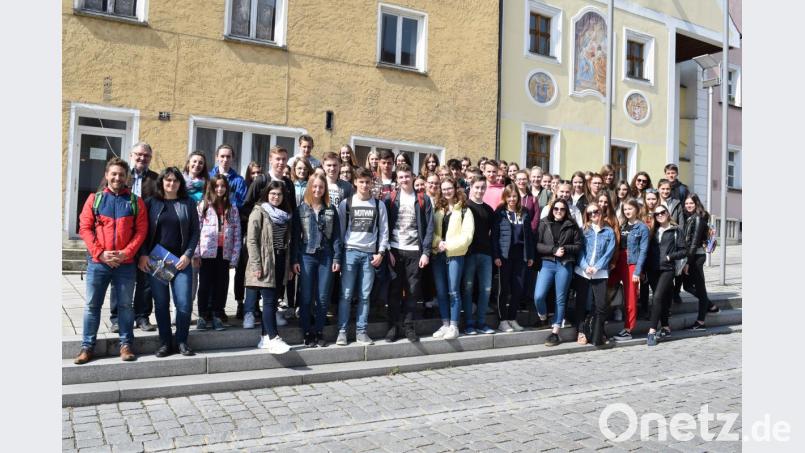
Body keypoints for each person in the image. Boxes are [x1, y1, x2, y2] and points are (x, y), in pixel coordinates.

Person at [75, 157, 147, 364]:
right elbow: (85, 228)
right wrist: (101, 254)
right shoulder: (94, 199)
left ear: (127, 178)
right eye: (113, 174)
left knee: (125, 306)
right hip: (98, 263)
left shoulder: (135, 201)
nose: (117, 178)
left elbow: (141, 231)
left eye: (121, 175)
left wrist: (126, 253)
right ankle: (87, 347)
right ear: (106, 175)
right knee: (92, 306)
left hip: (125, 264)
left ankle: (126, 345)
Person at [139, 167, 200, 357]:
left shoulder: (188, 203)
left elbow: (195, 232)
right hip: (159, 260)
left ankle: (182, 341)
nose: (171, 184)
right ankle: (165, 342)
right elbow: (142, 232)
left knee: (183, 304)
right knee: (161, 303)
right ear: (162, 182)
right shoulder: (151, 203)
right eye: (167, 180)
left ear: (180, 183)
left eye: (175, 180)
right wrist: (144, 254)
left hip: (181, 261)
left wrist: (188, 255)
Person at [102, 143, 158, 334]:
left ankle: (142, 316)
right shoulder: (121, 174)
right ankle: (117, 318)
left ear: (151, 158)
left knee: (145, 279)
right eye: (139, 154)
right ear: (131, 155)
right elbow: (104, 197)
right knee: (119, 280)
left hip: (145, 237)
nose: (142, 158)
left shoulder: (156, 180)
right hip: (121, 236)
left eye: (146, 156)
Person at [337, 168, 390, 346]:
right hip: (350, 252)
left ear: (372, 183)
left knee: (365, 296)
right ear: (356, 183)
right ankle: (342, 332)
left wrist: (381, 252)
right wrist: (341, 254)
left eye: (368, 182)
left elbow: (384, 231)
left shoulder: (378, 204)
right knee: (346, 294)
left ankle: (361, 331)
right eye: (361, 182)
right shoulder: (346, 203)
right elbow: (341, 231)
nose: (365, 185)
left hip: (369, 254)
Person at [382, 164, 434, 343]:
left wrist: (426, 252)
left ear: (413, 176)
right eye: (401, 177)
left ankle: (409, 327)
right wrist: (387, 249)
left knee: (412, 291)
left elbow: (429, 229)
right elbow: (384, 225)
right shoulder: (390, 198)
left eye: (407, 176)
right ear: (397, 179)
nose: (404, 180)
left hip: (414, 251)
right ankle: (393, 328)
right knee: (394, 291)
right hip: (395, 250)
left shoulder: (423, 199)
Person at [292, 174, 342, 347]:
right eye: (314, 186)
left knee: (322, 296)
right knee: (306, 296)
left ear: (325, 189)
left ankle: (319, 331)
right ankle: (307, 331)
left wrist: (337, 257)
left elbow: (336, 236)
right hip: (306, 255)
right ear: (309, 188)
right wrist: (295, 259)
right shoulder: (302, 209)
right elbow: (296, 238)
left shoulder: (330, 209)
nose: (317, 190)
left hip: (326, 256)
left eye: (321, 187)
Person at [245, 181, 293, 354]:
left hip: (280, 260)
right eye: (272, 194)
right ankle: (273, 337)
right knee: (269, 301)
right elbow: (251, 240)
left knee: (273, 301)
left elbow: (286, 243)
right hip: (265, 262)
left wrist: (287, 267)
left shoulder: (285, 215)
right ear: (267, 194)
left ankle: (264, 338)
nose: (276, 197)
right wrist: (257, 264)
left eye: (279, 194)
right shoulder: (259, 212)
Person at [195, 174, 241, 331]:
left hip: (224, 252)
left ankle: (217, 315)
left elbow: (237, 233)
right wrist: (196, 253)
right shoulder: (204, 206)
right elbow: (196, 231)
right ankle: (202, 315)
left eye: (223, 186)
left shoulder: (232, 208)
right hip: (207, 253)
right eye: (217, 186)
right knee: (205, 285)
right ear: (211, 188)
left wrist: (234, 256)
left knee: (221, 285)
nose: (220, 189)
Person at [431, 177, 474, 339]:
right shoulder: (438, 208)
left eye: (450, 188)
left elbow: (467, 236)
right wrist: (438, 243)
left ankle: (454, 326)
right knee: (441, 292)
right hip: (438, 255)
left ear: (455, 189)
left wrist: (448, 245)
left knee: (453, 291)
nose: (447, 191)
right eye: (444, 189)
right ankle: (445, 324)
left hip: (455, 256)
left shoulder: (464, 209)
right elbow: (432, 231)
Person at [534, 198, 581, 346]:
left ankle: (555, 332)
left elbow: (578, 245)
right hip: (547, 263)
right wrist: (553, 250)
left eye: (562, 209)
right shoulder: (544, 223)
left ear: (566, 211)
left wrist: (565, 249)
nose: (559, 211)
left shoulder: (572, 225)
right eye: (556, 209)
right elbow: (537, 245)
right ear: (551, 209)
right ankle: (543, 317)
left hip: (564, 264)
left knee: (560, 298)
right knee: (538, 296)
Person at [209, 144, 247, 323]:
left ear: (233, 158)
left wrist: (225, 204)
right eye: (222, 156)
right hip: (209, 235)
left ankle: (220, 309)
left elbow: (238, 204)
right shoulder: (209, 176)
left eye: (228, 156)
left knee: (223, 278)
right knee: (208, 277)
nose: (225, 159)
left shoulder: (238, 180)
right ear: (217, 157)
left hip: (228, 233)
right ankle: (206, 310)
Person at [492, 185, 534, 332]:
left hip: (520, 256)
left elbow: (529, 236)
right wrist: (496, 255)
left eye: (514, 196)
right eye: (509, 196)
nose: (512, 199)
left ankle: (512, 318)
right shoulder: (500, 213)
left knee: (518, 289)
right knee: (504, 289)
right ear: (505, 197)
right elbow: (495, 236)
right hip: (504, 257)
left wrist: (530, 256)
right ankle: (502, 321)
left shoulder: (525, 213)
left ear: (518, 198)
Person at [645, 205, 688, 346]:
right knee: (662, 298)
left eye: (662, 212)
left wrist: (669, 257)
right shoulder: (652, 230)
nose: (660, 215)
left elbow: (683, 251)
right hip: (652, 270)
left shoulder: (676, 231)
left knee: (656, 297)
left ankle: (651, 331)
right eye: (657, 214)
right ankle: (665, 327)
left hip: (667, 269)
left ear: (668, 213)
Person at [574, 204, 616, 346]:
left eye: (596, 211)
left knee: (600, 305)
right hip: (583, 271)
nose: (593, 215)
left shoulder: (609, 231)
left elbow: (609, 252)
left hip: (600, 272)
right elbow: (580, 251)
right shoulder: (584, 230)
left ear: (601, 212)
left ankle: (597, 332)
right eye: (590, 213)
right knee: (581, 303)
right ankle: (581, 331)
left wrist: (597, 267)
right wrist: (586, 266)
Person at [609, 199, 650, 342]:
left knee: (631, 296)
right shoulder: (622, 225)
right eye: (625, 209)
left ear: (637, 210)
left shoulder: (642, 228)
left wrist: (638, 271)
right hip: (618, 260)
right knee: (606, 285)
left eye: (630, 209)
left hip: (632, 263)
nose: (627, 211)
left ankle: (628, 328)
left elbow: (644, 251)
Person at [462, 176, 496, 335]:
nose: (480, 190)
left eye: (483, 187)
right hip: (468, 254)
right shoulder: (464, 206)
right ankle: (469, 323)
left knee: (486, 289)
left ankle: (481, 322)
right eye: (477, 187)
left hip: (486, 255)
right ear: (471, 186)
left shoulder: (489, 210)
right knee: (468, 289)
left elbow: (493, 234)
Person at [682, 193, 716, 330]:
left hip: (696, 257)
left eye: (691, 203)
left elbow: (694, 243)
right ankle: (710, 306)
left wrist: (688, 263)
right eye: (687, 203)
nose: (688, 205)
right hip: (691, 256)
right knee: (687, 286)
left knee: (700, 289)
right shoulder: (691, 218)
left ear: (696, 204)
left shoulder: (698, 219)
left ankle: (701, 321)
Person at [182, 151, 209, 312]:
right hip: (178, 232)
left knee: (193, 275)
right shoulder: (178, 181)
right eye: (194, 161)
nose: (197, 165)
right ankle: (176, 308)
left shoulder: (207, 185)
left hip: (198, 232)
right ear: (188, 163)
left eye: (200, 162)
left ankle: (187, 309)